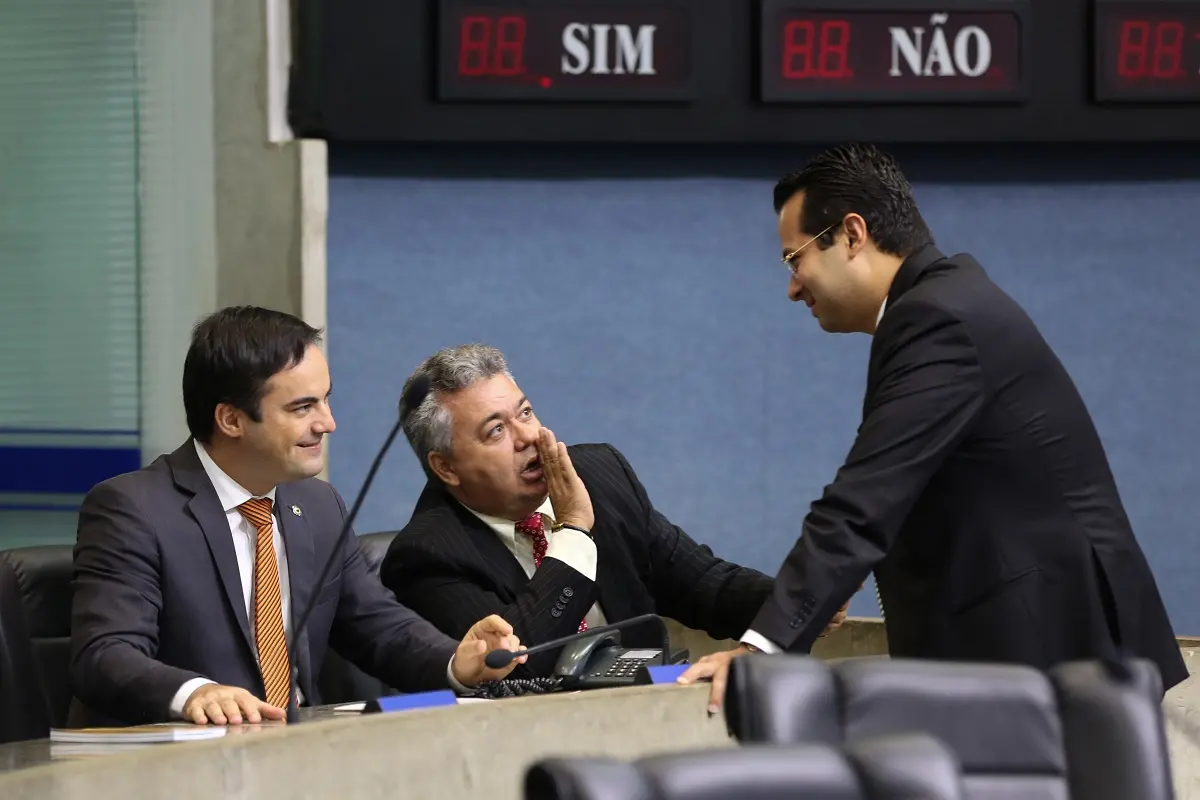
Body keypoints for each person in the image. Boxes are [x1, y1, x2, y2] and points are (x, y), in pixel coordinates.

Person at [679, 143, 1187, 710]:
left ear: (852, 234)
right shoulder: (944, 304)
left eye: (794, 259)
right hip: (1045, 658)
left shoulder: (936, 319)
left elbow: (863, 503)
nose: (793, 287)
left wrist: (763, 649)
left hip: (1060, 660)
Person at [70, 307, 525, 727]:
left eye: (325, 400)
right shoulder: (134, 509)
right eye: (302, 407)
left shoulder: (319, 506)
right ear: (231, 419)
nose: (327, 423)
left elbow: (378, 626)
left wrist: (457, 660)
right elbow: (105, 654)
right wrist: (195, 693)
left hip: (304, 752)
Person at [378, 344, 775, 678]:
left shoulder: (599, 476)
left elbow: (703, 584)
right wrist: (573, 532)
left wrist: (798, 603)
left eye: (526, 413)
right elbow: (518, 667)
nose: (528, 437)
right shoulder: (426, 555)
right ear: (446, 467)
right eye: (496, 430)